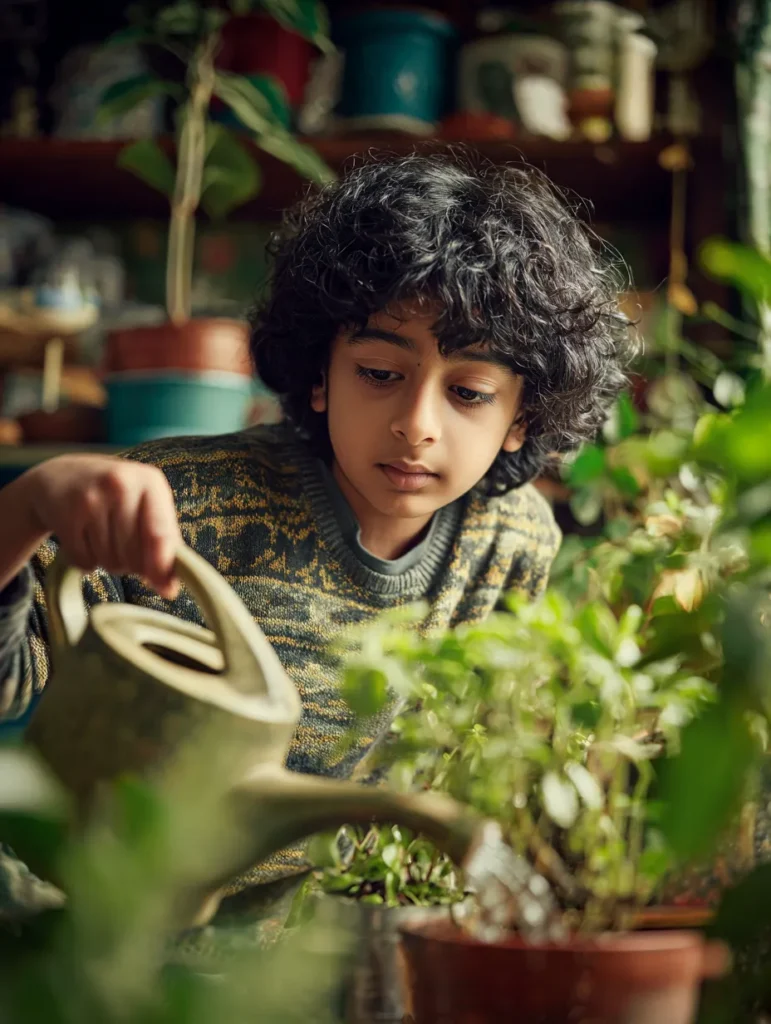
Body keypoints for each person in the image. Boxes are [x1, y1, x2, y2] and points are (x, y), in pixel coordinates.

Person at [0, 150, 630, 921]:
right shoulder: (182, 506)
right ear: (320, 374)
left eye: (468, 392)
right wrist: (28, 506)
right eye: (379, 372)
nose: (416, 426)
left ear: (520, 420)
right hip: (101, 937)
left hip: (323, 965)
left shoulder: (512, 544)